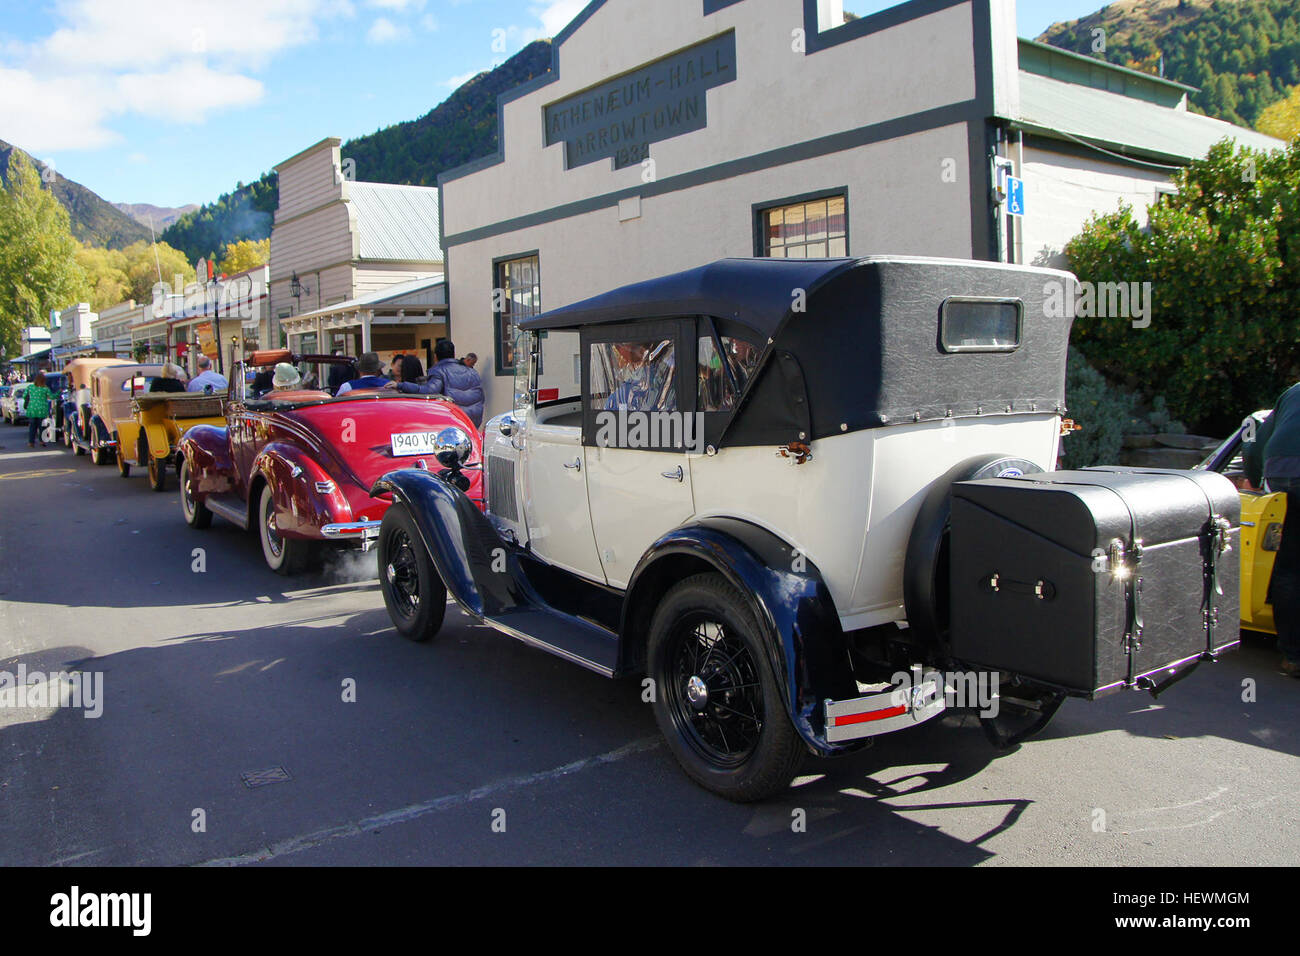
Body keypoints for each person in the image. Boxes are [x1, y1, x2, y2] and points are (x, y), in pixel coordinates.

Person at [1245, 382, 1300, 677]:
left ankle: (1293, 656)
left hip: (1280, 475)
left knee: (1289, 567)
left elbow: (1255, 440)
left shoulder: (1292, 392)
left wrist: (1254, 480)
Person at [396, 339, 484, 426]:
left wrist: (400, 385)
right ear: (453, 354)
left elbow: (429, 391)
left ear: (435, 356)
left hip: (454, 421)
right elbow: (481, 396)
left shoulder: (439, 371)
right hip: (473, 422)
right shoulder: (472, 372)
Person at [22, 371, 53, 448]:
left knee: (32, 427)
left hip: (32, 410)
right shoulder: (45, 389)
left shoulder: (30, 387)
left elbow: (24, 396)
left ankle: (31, 442)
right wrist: (59, 392)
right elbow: (52, 397)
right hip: (42, 410)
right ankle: (42, 441)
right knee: (42, 426)